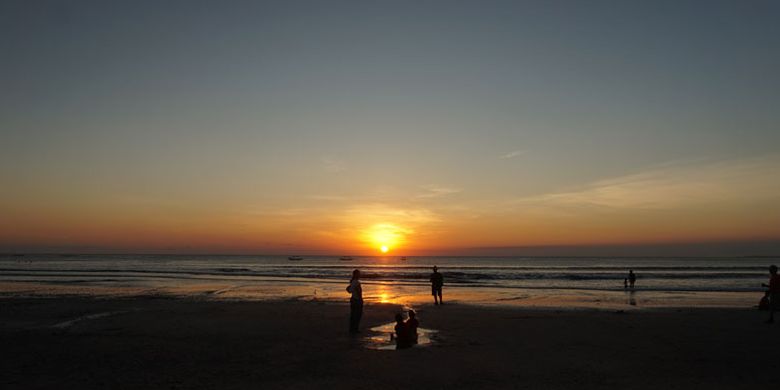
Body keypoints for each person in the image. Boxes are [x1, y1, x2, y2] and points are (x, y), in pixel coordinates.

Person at [346, 269, 363, 333]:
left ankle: (353, 329)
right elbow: (350, 290)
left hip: (354, 299)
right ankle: (354, 329)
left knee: (354, 315)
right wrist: (360, 299)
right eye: (359, 274)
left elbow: (349, 290)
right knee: (357, 315)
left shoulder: (354, 282)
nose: (360, 275)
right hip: (356, 300)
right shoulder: (356, 282)